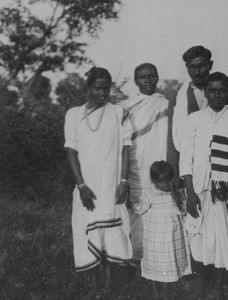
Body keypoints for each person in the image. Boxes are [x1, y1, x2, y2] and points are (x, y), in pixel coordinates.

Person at [64, 67, 132, 298]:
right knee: (88, 234)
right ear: (87, 88)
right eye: (97, 88)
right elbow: (71, 152)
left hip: (111, 185)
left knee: (111, 235)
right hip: (87, 188)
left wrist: (123, 181)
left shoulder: (118, 112)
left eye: (106, 88)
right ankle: (94, 289)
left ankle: (111, 287)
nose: (102, 93)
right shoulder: (73, 114)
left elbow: (125, 149)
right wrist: (81, 185)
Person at [180, 72, 228, 298]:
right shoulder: (194, 119)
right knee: (197, 238)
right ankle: (201, 287)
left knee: (223, 239)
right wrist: (190, 193)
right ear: (206, 93)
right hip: (198, 190)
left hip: (225, 193)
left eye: (221, 90)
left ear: (227, 92)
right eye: (212, 91)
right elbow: (186, 159)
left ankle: (217, 289)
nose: (217, 95)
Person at [122, 63, 169, 260]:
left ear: (157, 78)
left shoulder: (166, 104)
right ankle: (136, 262)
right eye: (143, 77)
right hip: (135, 169)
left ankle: (158, 265)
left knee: (162, 217)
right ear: (136, 81)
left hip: (160, 169)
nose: (148, 80)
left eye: (151, 76)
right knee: (137, 218)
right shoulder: (126, 107)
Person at [135, 160, 191, 299]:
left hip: (173, 236)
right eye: (161, 182)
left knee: (171, 261)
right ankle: (155, 291)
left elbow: (183, 210)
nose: (165, 184)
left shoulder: (176, 191)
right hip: (156, 237)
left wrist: (177, 196)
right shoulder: (149, 192)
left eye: (167, 180)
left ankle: (168, 291)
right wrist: (131, 202)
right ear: (154, 181)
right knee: (156, 262)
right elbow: (140, 207)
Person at [168, 46, 213, 185]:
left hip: (221, 164)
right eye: (192, 67)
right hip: (192, 167)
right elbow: (172, 136)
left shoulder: (222, 90)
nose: (197, 72)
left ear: (210, 65)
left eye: (201, 66)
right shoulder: (178, 96)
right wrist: (174, 173)